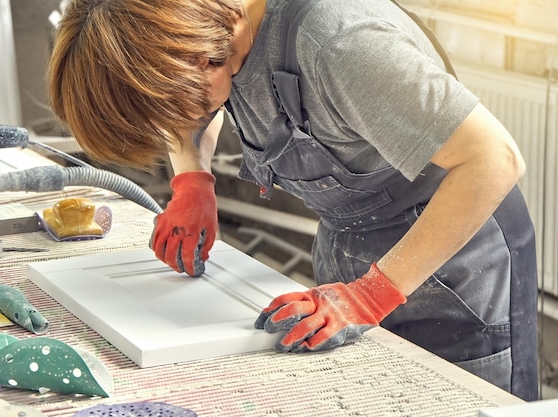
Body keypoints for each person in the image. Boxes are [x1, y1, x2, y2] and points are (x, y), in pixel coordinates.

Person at [47, 0, 539, 401]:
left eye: (182, 101)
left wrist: (371, 294)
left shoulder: (339, 40)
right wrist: (192, 181)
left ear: (202, 55)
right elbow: (185, 106)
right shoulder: (207, 35)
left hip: (458, 259)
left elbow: (494, 159)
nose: (182, 117)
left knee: (459, 403)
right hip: (346, 238)